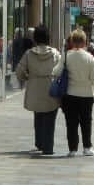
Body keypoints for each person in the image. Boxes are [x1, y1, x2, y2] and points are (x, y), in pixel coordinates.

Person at [55, 29, 94, 156]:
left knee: (71, 123)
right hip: (87, 96)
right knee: (86, 121)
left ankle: (72, 149)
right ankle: (87, 147)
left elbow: (56, 72)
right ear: (85, 42)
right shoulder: (90, 58)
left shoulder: (66, 55)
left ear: (71, 41)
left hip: (70, 95)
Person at [15, 25, 61, 156]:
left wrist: (25, 78)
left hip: (34, 88)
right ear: (48, 38)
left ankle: (40, 142)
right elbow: (60, 71)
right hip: (50, 89)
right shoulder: (55, 53)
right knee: (50, 119)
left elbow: (19, 71)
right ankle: (48, 147)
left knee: (38, 115)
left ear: (35, 38)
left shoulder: (29, 54)